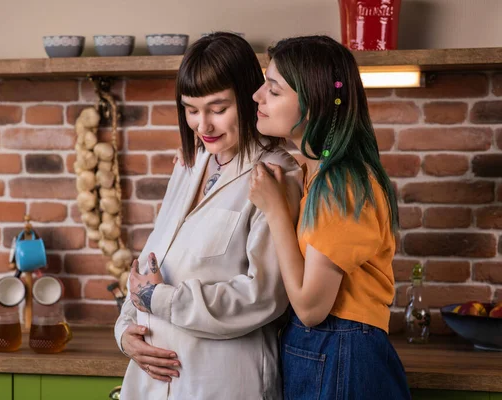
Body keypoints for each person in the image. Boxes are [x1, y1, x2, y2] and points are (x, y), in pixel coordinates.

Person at [114, 32, 302, 400]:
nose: (203, 126)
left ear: (250, 98)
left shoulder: (276, 174)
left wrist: (160, 300)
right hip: (153, 384)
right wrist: (124, 332)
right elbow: (154, 260)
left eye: (218, 109)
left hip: (224, 382)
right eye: (191, 109)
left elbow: (263, 296)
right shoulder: (189, 165)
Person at [248, 35, 411, 399]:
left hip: (341, 350)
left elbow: (310, 308)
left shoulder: (342, 184)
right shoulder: (314, 175)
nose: (258, 96)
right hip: (324, 350)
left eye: (273, 91)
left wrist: (276, 212)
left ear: (315, 104)